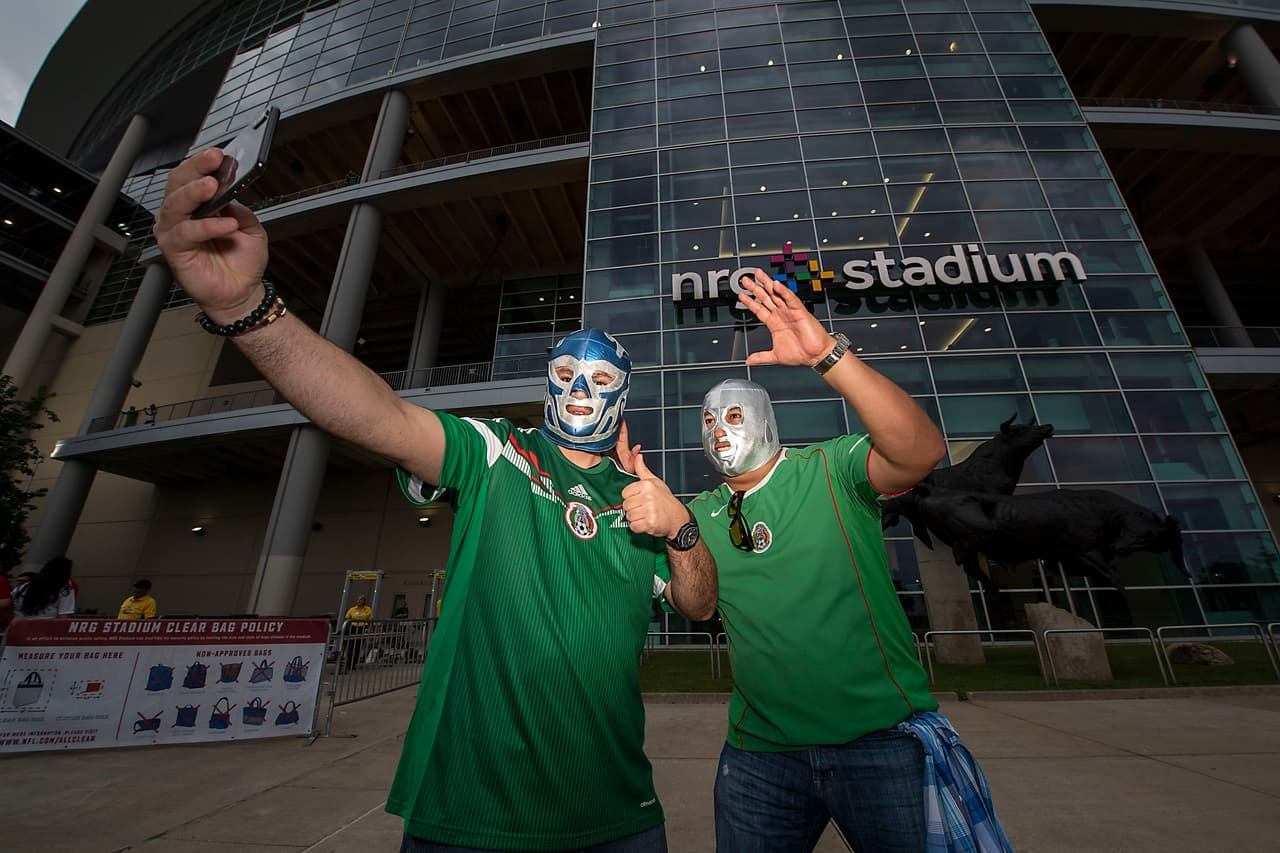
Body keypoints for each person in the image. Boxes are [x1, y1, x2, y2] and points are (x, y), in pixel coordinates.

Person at [154, 148, 717, 852]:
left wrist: (681, 528)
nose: (581, 388)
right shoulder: (498, 454)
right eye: (568, 370)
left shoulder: (647, 501)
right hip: (470, 817)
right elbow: (378, 415)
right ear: (548, 381)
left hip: (618, 815)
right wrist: (247, 309)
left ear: (623, 395)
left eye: (601, 378)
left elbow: (699, 606)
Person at [670, 271, 1011, 853]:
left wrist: (827, 355)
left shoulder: (831, 469)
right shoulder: (697, 513)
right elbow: (696, 607)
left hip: (879, 746)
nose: (718, 430)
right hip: (759, 758)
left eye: (732, 416)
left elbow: (921, 452)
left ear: (767, 423)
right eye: (708, 420)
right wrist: (674, 530)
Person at [12, 557, 77, 619]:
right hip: (46, 627)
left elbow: (10, 605)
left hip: (20, 626)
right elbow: (64, 616)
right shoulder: (64, 590)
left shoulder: (24, 587)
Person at [341, 594, 373, 671]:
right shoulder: (352, 609)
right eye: (358, 599)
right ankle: (348, 663)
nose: (359, 601)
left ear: (364, 601)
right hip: (353, 627)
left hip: (362, 628)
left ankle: (353, 663)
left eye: (361, 599)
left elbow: (370, 618)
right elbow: (347, 617)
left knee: (358, 647)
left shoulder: (367, 609)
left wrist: (369, 628)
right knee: (351, 646)